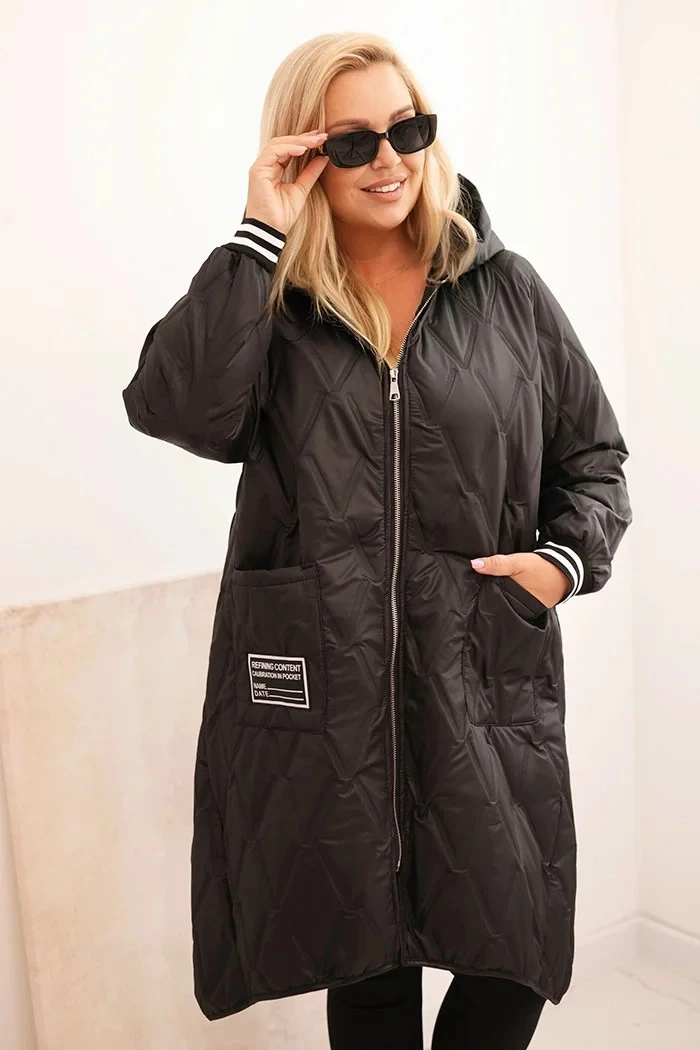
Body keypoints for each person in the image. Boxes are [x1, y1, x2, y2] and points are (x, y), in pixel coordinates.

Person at [121, 30, 632, 1050]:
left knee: (511, 948)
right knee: (366, 963)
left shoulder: (505, 289)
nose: (388, 159)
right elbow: (178, 409)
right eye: (351, 142)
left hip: (479, 668)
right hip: (330, 678)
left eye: (407, 129)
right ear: (304, 154)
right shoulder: (274, 302)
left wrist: (558, 565)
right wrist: (258, 233)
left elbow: (594, 461)